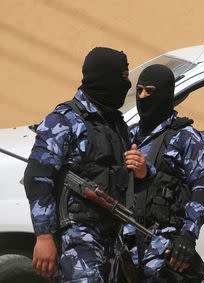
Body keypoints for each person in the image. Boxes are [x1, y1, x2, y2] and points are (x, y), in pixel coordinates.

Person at [23, 47, 141, 282]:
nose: (127, 85)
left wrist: (140, 168)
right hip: (77, 237)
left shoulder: (116, 124)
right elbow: (37, 177)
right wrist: (44, 236)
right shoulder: (64, 120)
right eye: (123, 77)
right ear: (105, 78)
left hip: (110, 236)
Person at [122, 64, 204, 282]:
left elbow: (202, 189)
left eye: (151, 91)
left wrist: (188, 236)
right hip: (124, 247)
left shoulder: (187, 137)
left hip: (160, 247)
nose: (143, 97)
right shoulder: (128, 134)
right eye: (140, 90)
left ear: (165, 94)